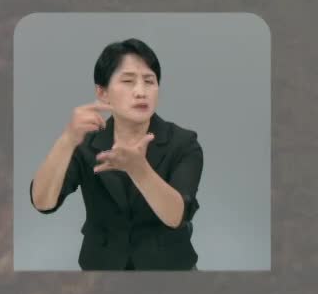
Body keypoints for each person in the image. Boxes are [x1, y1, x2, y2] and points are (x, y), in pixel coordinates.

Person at [27, 38, 204, 270]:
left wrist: (139, 170)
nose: (141, 92)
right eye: (128, 81)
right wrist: (67, 140)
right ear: (102, 93)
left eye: (149, 81)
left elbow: (177, 216)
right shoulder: (86, 143)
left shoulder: (183, 143)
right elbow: (43, 203)